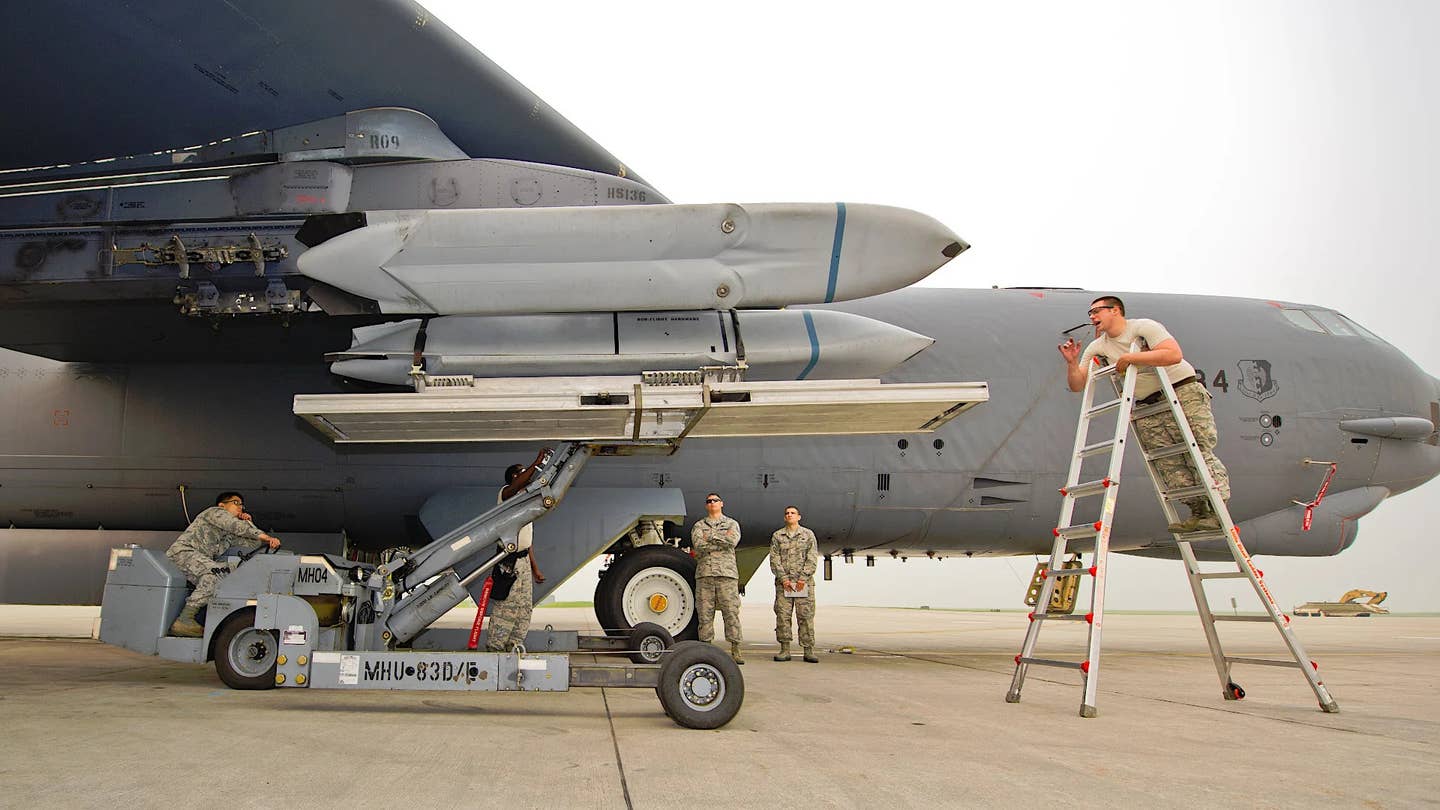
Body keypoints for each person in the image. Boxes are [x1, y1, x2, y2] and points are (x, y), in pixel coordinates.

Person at [1058, 296, 1230, 533]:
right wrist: (1072, 363)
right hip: (1148, 403)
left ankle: (1218, 509)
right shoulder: (1098, 346)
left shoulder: (1142, 328)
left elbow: (1172, 354)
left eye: (1097, 311)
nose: (1092, 317)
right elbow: (1078, 384)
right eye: (1090, 313)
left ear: (1115, 310)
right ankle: (1198, 512)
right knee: (1167, 460)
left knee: (1197, 450)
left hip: (1180, 391)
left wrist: (1131, 358)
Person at [165, 492, 280, 637]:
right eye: (235, 503)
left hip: (198, 559)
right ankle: (184, 619)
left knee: (226, 573)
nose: (240, 508)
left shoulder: (227, 533)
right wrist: (267, 537)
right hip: (183, 553)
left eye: (242, 505)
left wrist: (248, 522)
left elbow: (253, 542)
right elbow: (234, 525)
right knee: (215, 575)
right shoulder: (214, 512)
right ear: (222, 505)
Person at [485, 449, 549, 653]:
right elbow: (518, 484)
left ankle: (513, 647)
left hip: (522, 563)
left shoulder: (525, 507)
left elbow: (527, 543)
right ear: (515, 477)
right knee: (506, 608)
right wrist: (537, 462)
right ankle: (495, 648)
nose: (527, 476)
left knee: (523, 609)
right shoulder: (506, 495)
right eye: (522, 472)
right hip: (508, 562)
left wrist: (535, 569)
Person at [691, 492, 744, 664]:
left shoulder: (731, 523)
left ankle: (735, 649)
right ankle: (706, 648)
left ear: (722, 503)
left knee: (731, 613)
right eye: (709, 501)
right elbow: (698, 544)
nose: (712, 503)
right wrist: (722, 539)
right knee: (705, 614)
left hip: (726, 575)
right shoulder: (699, 525)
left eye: (715, 500)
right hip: (705, 574)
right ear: (706, 505)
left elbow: (733, 541)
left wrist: (711, 537)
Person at [769, 506, 819, 663]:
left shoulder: (808, 535)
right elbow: (774, 558)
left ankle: (808, 650)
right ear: (785, 518)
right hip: (784, 584)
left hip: (803, 583)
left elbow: (812, 558)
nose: (789, 515)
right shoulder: (778, 536)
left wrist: (803, 578)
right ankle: (785, 649)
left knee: (805, 616)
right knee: (783, 616)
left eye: (793, 513)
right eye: (787, 513)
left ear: (799, 517)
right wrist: (784, 579)